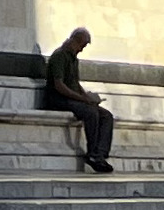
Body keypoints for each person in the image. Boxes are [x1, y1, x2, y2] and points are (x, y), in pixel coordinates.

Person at [39, 24, 114, 173]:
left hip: (73, 99)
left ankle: (100, 154)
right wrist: (82, 99)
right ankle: (92, 153)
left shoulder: (73, 59)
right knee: (90, 113)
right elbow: (59, 85)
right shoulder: (59, 56)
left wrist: (88, 97)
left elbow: (75, 83)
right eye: (82, 45)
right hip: (58, 99)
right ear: (76, 41)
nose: (81, 49)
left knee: (106, 115)